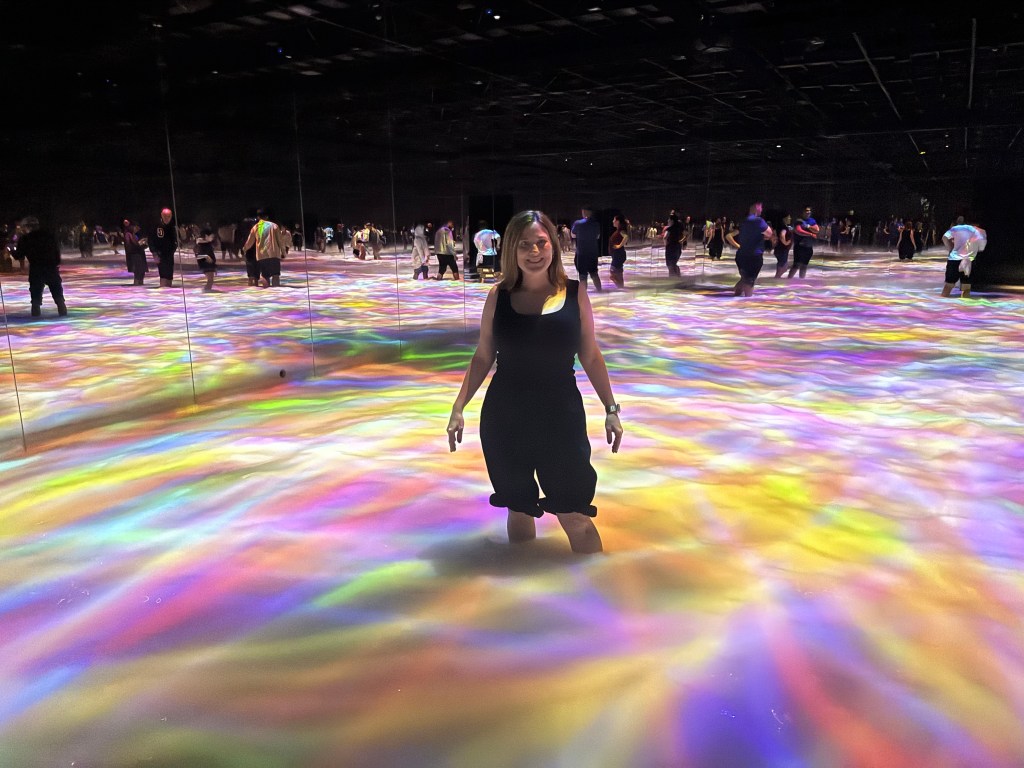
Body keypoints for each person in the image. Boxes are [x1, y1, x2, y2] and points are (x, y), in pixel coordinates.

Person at [447, 210, 622, 555]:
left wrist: (611, 409)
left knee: (574, 513)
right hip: (506, 417)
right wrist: (458, 407)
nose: (534, 251)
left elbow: (590, 355)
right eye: (524, 244)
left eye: (541, 242)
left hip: (561, 417)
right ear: (511, 249)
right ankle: (523, 579)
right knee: (519, 507)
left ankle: (597, 584)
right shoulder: (498, 295)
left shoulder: (575, 293)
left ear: (553, 245)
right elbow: (483, 356)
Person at [17, 216, 67, 317]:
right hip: (51, 267)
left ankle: (36, 316)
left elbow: (19, 255)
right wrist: (56, 262)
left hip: (36, 269)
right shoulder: (49, 235)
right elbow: (56, 251)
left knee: (36, 295)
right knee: (57, 292)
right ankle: (63, 313)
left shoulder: (25, 239)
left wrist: (9, 250)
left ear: (27, 227)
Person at [725, 202, 773, 297]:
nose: (761, 209)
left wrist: (738, 246)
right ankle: (747, 302)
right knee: (749, 281)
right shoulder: (759, 221)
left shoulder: (743, 221)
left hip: (741, 255)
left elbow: (729, 236)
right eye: (760, 207)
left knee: (745, 278)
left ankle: (735, 298)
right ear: (756, 208)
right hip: (754, 255)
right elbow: (769, 233)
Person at [242, 209, 289, 287]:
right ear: (267, 217)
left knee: (265, 275)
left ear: (258, 217)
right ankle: (276, 291)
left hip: (262, 255)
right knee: (275, 275)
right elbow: (280, 241)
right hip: (274, 254)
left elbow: (250, 242)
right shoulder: (274, 226)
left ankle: (267, 290)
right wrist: (283, 252)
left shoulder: (255, 227)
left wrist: (244, 249)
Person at [941, 219, 987, 298]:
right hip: (969, 260)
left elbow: (944, 238)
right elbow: (981, 247)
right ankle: (964, 301)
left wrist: (950, 248)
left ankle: (944, 300)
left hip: (954, 259)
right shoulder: (976, 230)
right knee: (966, 284)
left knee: (949, 284)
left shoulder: (955, 229)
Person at [571, 206, 602, 291]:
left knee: (583, 276)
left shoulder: (578, 223)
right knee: (594, 273)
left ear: (584, 211)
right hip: (593, 252)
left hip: (581, 253)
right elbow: (598, 236)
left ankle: (584, 294)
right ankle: (600, 291)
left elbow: (573, 235)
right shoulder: (596, 224)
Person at [787, 205, 820, 279]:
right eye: (806, 211)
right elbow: (798, 231)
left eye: (809, 211)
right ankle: (788, 280)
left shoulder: (812, 220)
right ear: (802, 212)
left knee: (804, 265)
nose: (808, 212)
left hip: (809, 246)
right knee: (796, 265)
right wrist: (810, 234)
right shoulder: (799, 220)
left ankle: (801, 281)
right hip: (799, 246)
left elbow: (817, 230)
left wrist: (808, 226)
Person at [150, 207, 178, 288]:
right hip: (160, 254)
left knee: (169, 274)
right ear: (161, 215)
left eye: (169, 216)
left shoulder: (172, 227)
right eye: (165, 216)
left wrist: (173, 249)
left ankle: (169, 291)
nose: (167, 218)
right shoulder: (156, 226)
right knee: (163, 274)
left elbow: (175, 241)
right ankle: (163, 290)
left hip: (169, 255)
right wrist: (154, 253)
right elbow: (151, 240)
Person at [122, 219, 148, 285]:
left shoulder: (134, 234)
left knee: (141, 271)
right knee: (138, 271)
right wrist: (139, 244)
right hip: (135, 255)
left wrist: (143, 244)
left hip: (139, 254)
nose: (138, 229)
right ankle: (136, 285)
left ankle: (140, 284)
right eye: (136, 227)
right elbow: (129, 246)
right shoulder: (128, 234)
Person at [608, 213, 629, 288]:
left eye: (614, 220)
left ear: (618, 221)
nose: (613, 221)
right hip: (618, 255)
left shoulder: (621, 230)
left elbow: (626, 237)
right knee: (618, 273)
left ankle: (620, 287)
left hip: (618, 255)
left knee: (613, 272)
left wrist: (619, 245)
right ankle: (621, 288)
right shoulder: (619, 230)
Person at [194, 225, 217, 291]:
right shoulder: (200, 244)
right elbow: (198, 256)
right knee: (210, 281)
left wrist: (214, 266)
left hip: (210, 264)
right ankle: (205, 292)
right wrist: (206, 256)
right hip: (206, 264)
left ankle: (206, 292)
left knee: (210, 281)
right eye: (211, 236)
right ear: (206, 236)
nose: (213, 238)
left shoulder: (207, 243)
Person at [773, 213, 793, 278]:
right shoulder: (784, 228)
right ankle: (777, 277)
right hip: (782, 250)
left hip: (779, 249)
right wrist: (786, 243)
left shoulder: (780, 227)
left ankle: (776, 278)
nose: (790, 218)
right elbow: (782, 235)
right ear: (784, 219)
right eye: (788, 217)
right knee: (784, 267)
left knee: (780, 265)